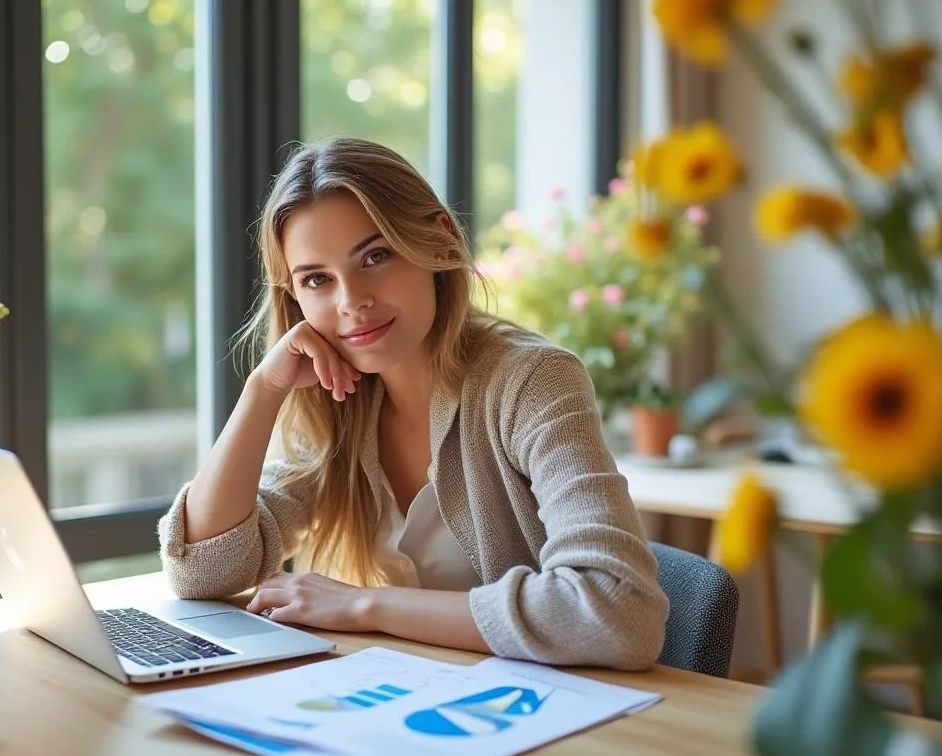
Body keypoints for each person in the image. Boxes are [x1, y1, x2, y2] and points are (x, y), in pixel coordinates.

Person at [157, 137, 669, 670]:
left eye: (376, 256)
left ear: (437, 241)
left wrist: (363, 604)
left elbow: (618, 612)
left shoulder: (531, 381)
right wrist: (263, 390)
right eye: (316, 280)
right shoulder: (336, 401)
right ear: (294, 299)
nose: (351, 301)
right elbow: (204, 573)